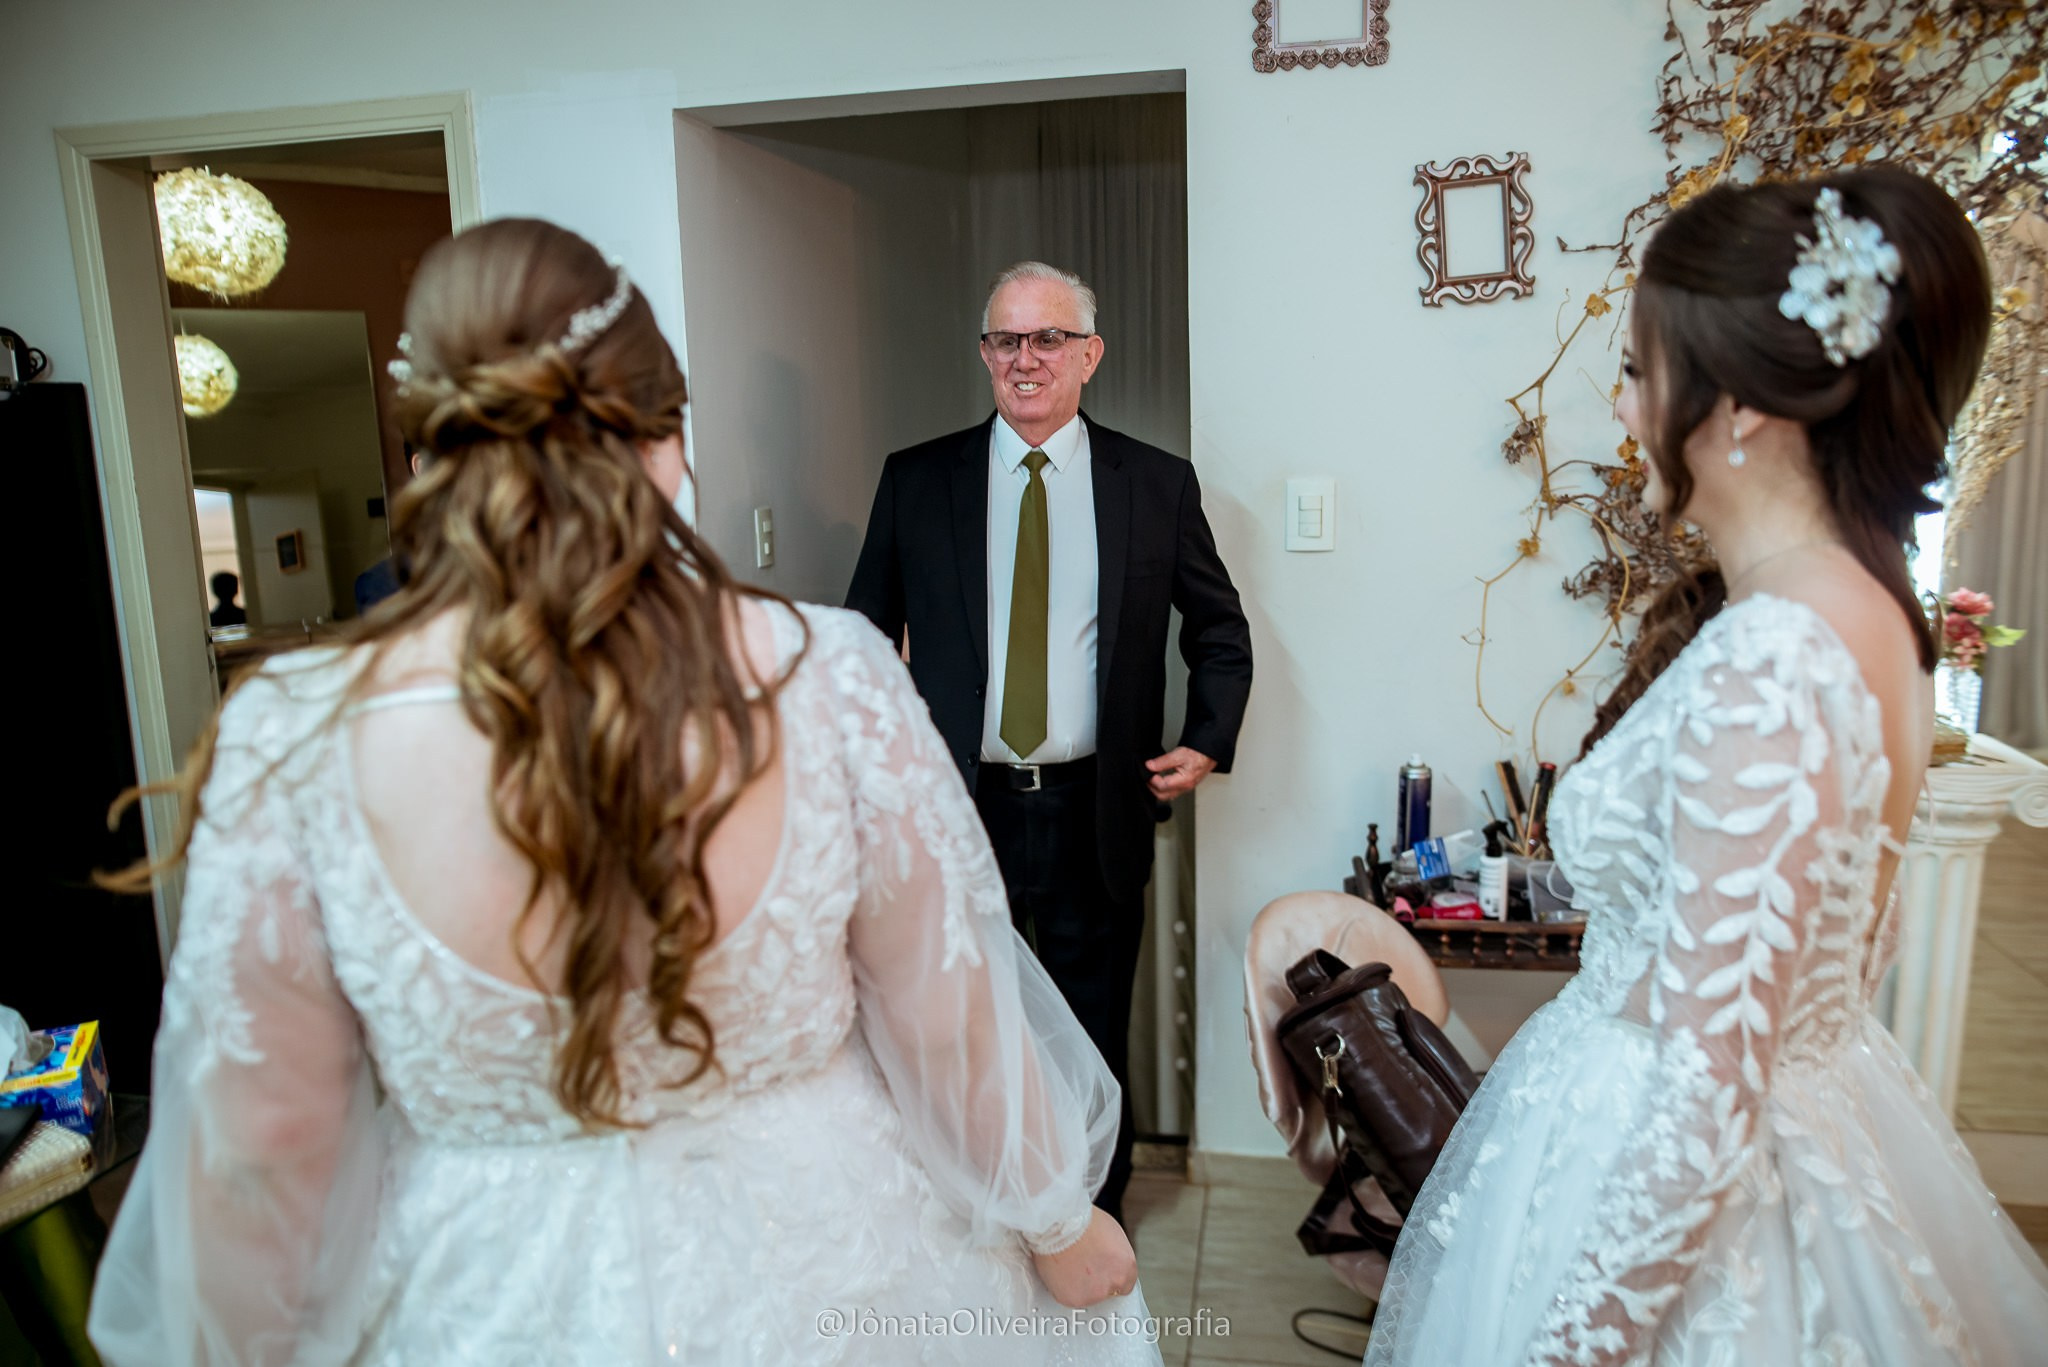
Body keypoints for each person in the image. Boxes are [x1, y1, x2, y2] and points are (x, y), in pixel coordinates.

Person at [88, 220, 1158, 1366]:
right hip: (828, 1273)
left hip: (480, 1295)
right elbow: (944, 1018)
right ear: (666, 435)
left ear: (432, 453)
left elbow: (261, 1140)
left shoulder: (290, 726)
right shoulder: (828, 673)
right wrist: (1055, 1218)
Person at [1365, 168, 2048, 1365]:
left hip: (1686, 1208)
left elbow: (1709, 1084)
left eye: (1636, 369)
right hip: (1772, 1124)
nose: (1621, 408)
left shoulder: (1783, 649)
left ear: (1733, 404)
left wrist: (1572, 1344)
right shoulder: (1854, 607)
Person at [846, 262, 1252, 1227]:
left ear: (1089, 355)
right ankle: (974, 1218)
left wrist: (1206, 738)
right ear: (986, 353)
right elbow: (859, 638)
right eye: (1004, 341)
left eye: (1047, 340)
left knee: (1089, 1029)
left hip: (1095, 808)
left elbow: (1219, 629)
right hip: (957, 809)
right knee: (955, 1027)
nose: (1024, 361)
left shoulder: (1153, 483)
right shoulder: (917, 479)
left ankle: (1091, 1224)